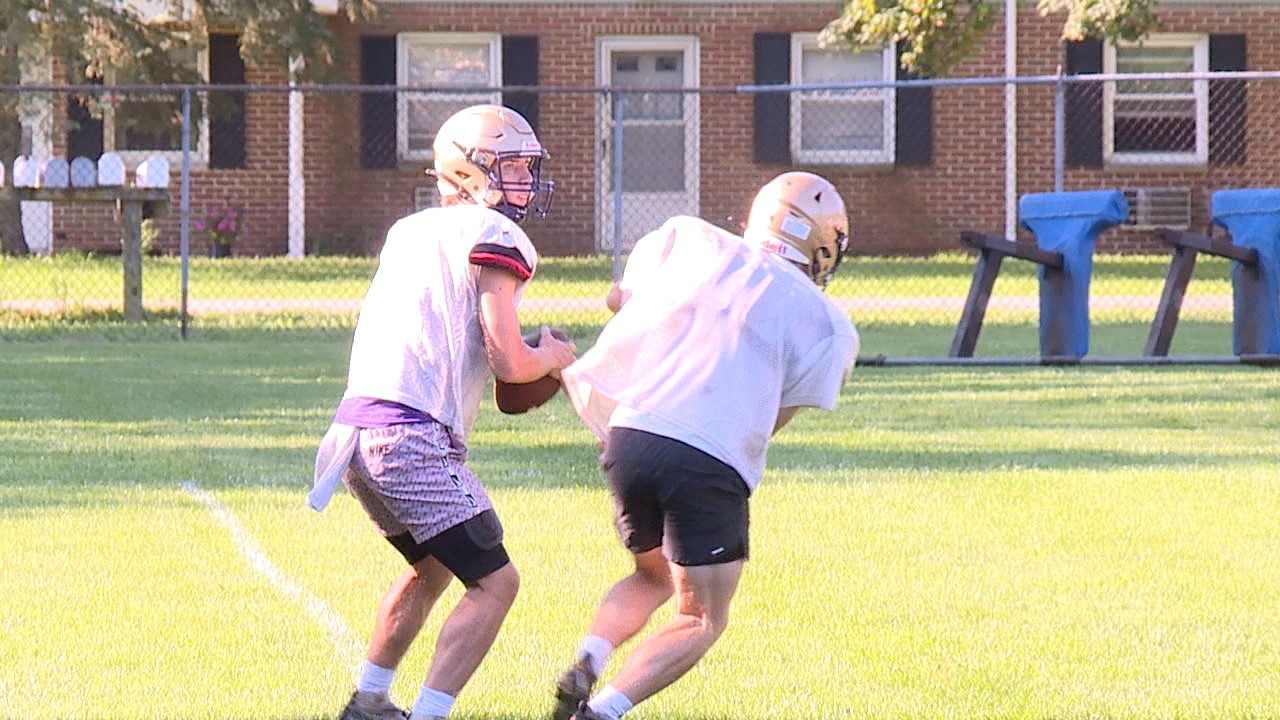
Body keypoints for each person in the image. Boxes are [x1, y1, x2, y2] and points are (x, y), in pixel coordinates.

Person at [551, 171, 860, 720]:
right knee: (700, 618)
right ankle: (601, 711)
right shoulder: (828, 322)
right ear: (821, 244)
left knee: (652, 575)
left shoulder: (692, 239)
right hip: (704, 456)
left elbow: (618, 300)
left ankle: (589, 658)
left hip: (632, 435)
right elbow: (768, 419)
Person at [308, 104, 577, 720]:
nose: (525, 184)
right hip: (411, 434)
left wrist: (533, 361)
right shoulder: (498, 235)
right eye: (511, 168)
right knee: (496, 583)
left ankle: (370, 703)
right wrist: (554, 356)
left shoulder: (410, 230)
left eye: (527, 170)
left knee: (430, 566)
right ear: (467, 172)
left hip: (356, 432)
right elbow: (509, 362)